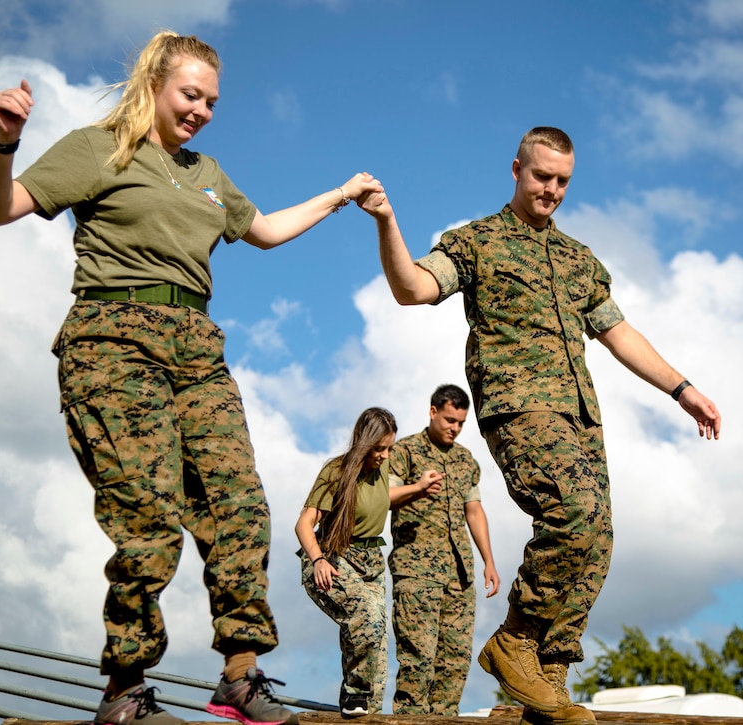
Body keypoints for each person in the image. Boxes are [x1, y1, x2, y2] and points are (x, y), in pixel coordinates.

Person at [0, 30, 384, 725]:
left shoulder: (206, 174)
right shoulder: (99, 148)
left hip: (196, 345)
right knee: (149, 515)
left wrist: (342, 194)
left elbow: (266, 229)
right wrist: (4, 143)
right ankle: (125, 686)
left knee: (241, 505)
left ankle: (239, 673)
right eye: (190, 95)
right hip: (112, 341)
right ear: (156, 86)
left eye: (212, 101)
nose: (201, 110)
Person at [360, 126, 721, 725]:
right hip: (519, 407)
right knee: (573, 511)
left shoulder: (579, 259)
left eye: (562, 181)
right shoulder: (478, 242)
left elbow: (618, 333)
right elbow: (413, 288)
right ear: (516, 170)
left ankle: (549, 674)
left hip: (579, 413)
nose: (551, 189)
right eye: (541, 176)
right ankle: (515, 640)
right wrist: (386, 222)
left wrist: (682, 389)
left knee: (598, 537)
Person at [294, 407, 442, 718]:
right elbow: (304, 523)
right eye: (379, 448)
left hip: (371, 564)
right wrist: (318, 560)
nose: (385, 455)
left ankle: (366, 711)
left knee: (377, 647)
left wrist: (418, 488)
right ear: (364, 443)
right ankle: (353, 693)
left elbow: (383, 498)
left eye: (389, 448)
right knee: (369, 618)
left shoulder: (380, 471)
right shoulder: (336, 471)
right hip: (332, 558)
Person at [388, 383, 501, 715]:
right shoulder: (404, 451)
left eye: (461, 423)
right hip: (416, 571)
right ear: (433, 411)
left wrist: (489, 562)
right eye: (449, 419)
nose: (454, 428)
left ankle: (444, 721)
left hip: (459, 574)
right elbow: (385, 499)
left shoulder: (466, 460)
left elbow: (474, 510)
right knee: (418, 658)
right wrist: (419, 488)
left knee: (454, 662)